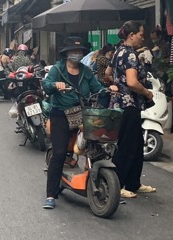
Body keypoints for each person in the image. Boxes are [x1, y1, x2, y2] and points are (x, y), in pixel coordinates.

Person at [42, 36, 117, 209]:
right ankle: (51, 194)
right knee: (60, 153)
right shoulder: (58, 69)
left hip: (82, 112)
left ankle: (108, 185)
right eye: (73, 51)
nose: (76, 54)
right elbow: (46, 85)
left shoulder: (85, 71)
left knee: (97, 147)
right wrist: (55, 85)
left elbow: (97, 88)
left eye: (79, 51)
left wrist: (108, 89)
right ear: (67, 53)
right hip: (60, 114)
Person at [109, 20, 156, 200]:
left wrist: (116, 85)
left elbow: (107, 73)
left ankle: (134, 183)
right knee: (127, 145)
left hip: (120, 104)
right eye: (141, 35)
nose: (142, 38)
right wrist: (147, 93)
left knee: (136, 144)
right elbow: (132, 82)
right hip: (128, 106)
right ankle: (118, 184)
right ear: (131, 35)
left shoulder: (118, 51)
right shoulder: (130, 55)